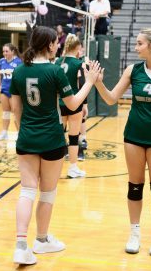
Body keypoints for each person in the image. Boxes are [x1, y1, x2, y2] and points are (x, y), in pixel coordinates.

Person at [9, 26, 101, 265]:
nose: (57, 46)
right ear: (49, 45)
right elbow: (73, 105)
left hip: (27, 138)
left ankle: (21, 244)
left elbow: (16, 111)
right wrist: (90, 82)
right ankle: (41, 239)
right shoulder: (54, 71)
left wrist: (26, 133)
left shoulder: (18, 71)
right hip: (51, 139)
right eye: (55, 43)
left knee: (27, 191)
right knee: (47, 193)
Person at [95, 28, 151, 256]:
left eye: (139, 43)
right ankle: (134, 234)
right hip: (133, 136)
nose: (136, 47)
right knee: (134, 186)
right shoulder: (132, 70)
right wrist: (98, 83)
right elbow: (111, 98)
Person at [55, 34, 87, 177]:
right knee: (73, 137)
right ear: (78, 48)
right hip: (74, 102)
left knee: (58, 137)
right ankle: (72, 168)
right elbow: (82, 85)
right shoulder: (78, 63)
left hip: (59, 103)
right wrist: (85, 104)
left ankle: (54, 168)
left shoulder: (56, 62)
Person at [0, 43, 22, 141]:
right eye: (3, 51)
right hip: (4, 90)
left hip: (14, 91)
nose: (4, 53)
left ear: (12, 51)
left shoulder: (18, 62)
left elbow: (22, 76)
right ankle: (4, 132)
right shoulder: (2, 61)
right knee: (5, 112)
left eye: (6, 51)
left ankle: (20, 134)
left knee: (16, 113)